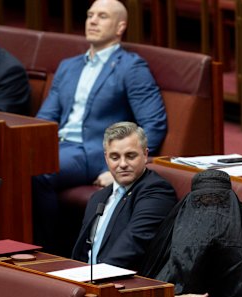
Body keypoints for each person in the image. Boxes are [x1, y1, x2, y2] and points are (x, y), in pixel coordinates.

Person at [34, 0, 166, 249]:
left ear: (120, 27)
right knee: (7, 163)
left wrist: (121, 164)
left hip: (92, 151)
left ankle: (47, 250)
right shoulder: (68, 66)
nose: (92, 21)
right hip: (59, 146)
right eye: (89, 15)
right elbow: (45, 117)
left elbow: (153, 122)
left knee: (39, 170)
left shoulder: (131, 67)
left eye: (102, 16)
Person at [142, 169, 242, 297]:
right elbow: (149, 292)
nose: (211, 213)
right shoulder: (171, 228)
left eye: (219, 201)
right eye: (202, 202)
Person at [71, 122, 176, 270]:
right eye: (115, 157)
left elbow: (133, 242)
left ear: (145, 155)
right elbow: (82, 252)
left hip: (123, 283)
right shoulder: (98, 198)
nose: (123, 164)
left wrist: (96, 278)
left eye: (130, 156)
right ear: (106, 158)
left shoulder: (156, 191)